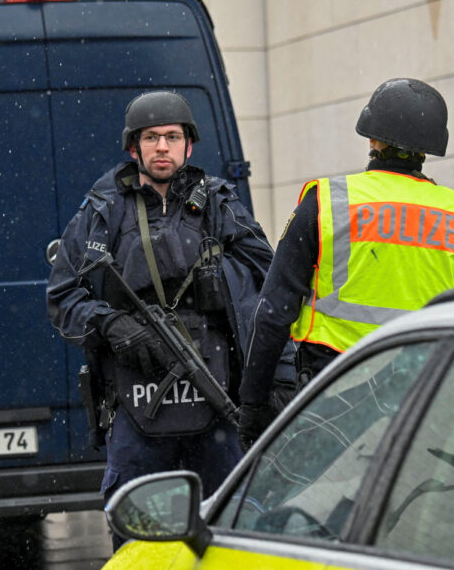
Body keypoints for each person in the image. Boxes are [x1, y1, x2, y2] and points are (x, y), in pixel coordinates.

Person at [46, 91, 293, 548]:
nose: (163, 147)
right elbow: (63, 297)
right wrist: (111, 325)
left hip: (217, 394)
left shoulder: (218, 203)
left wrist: (276, 378)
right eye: (152, 137)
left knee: (226, 533)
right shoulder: (104, 208)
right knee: (139, 533)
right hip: (137, 401)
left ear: (189, 146)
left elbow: (268, 288)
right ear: (133, 147)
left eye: (173, 137)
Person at [237, 77, 454, 450]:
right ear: (429, 147)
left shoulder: (329, 204)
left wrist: (252, 403)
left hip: (333, 398)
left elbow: (272, 312)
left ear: (373, 140)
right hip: (423, 402)